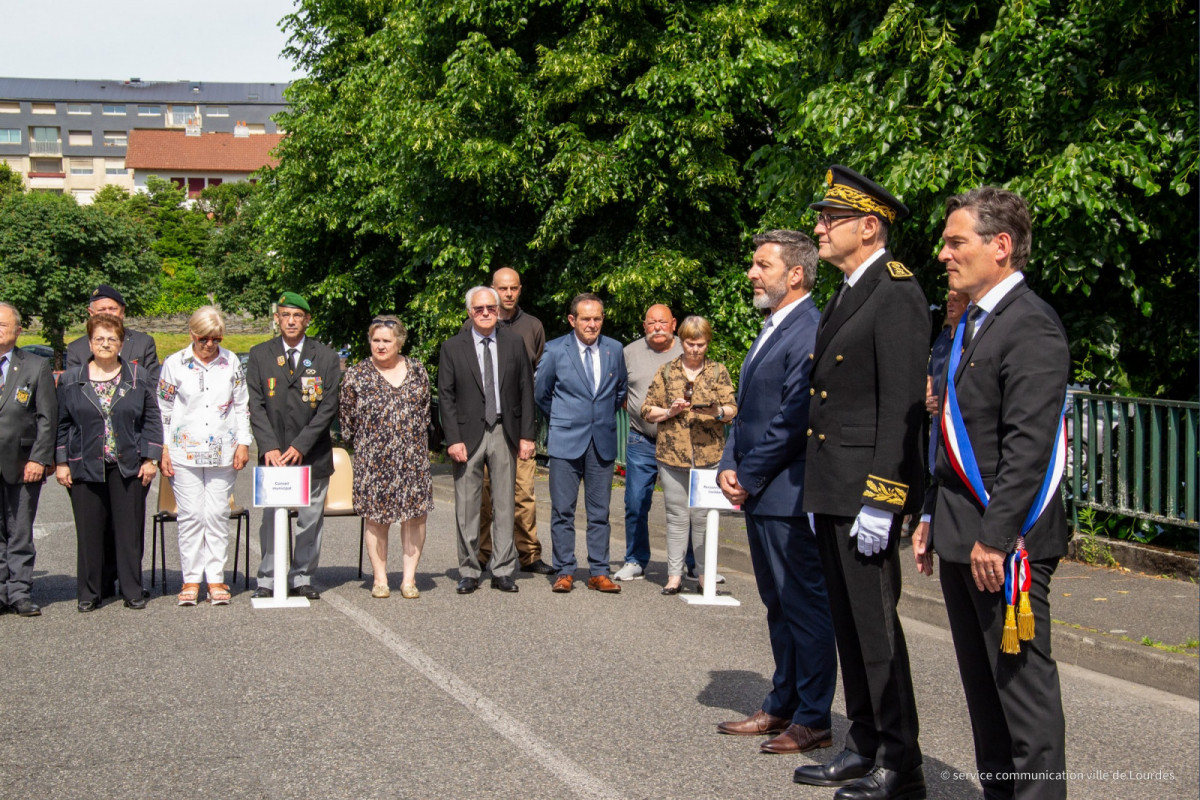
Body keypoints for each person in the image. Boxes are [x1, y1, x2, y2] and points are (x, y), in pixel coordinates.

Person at [913, 187, 1070, 800]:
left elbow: (1027, 448)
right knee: (984, 697)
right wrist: (931, 513)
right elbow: (957, 439)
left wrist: (994, 537)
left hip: (1003, 542)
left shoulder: (1029, 324)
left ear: (1000, 246)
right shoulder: (976, 321)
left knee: (1021, 696)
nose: (944, 254)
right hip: (960, 531)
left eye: (957, 242)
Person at [796, 166, 929, 800]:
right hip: (834, 487)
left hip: (864, 493)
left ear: (869, 226)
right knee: (851, 626)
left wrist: (885, 498)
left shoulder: (896, 292)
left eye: (830, 218)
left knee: (877, 632)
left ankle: (902, 763)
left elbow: (899, 405)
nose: (819, 228)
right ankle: (866, 742)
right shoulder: (851, 290)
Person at [716, 231, 837, 756]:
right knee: (777, 605)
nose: (751, 273)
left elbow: (793, 419)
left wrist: (748, 475)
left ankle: (813, 717)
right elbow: (748, 411)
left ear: (795, 274)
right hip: (765, 492)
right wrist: (727, 462)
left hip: (789, 496)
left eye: (761, 264)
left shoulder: (810, 329)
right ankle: (783, 703)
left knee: (804, 609)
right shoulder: (772, 327)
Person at [56, 313, 162, 611]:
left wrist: (151, 458)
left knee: (129, 531)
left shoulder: (137, 377)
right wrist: (62, 462)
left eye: (112, 339)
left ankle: (132, 589)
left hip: (128, 463)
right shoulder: (70, 380)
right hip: (85, 465)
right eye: (99, 339)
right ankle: (91, 592)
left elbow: (152, 420)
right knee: (90, 532)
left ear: (121, 343)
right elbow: (62, 424)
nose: (105, 344)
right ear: (90, 342)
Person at [440, 287, 536, 594]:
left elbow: (525, 390)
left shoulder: (514, 343)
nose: (485, 312)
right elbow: (446, 396)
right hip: (467, 435)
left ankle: (503, 570)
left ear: (498, 311)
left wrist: (526, 435)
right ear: (469, 312)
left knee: (505, 504)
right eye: (479, 308)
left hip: (504, 430)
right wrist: (452, 439)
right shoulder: (452, 347)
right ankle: (469, 569)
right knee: (468, 505)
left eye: (490, 308)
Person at [246, 292, 341, 600]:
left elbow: (328, 406)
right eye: (285, 315)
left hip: (312, 453)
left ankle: (302, 576)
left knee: (309, 520)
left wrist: (301, 444)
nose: (290, 321)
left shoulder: (325, 356)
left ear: (307, 320)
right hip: (274, 457)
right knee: (272, 520)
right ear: (277, 318)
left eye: (297, 316)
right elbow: (255, 405)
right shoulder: (260, 354)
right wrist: (269, 445)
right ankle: (268, 578)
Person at [158, 307, 252, 606]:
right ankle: (191, 579)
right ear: (192, 335)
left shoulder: (231, 361)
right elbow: (164, 410)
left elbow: (241, 405)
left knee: (216, 514)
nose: (210, 345)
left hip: (223, 451)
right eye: (203, 339)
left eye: (216, 338)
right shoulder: (174, 364)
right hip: (183, 451)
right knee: (191, 516)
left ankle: (216, 578)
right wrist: (163, 449)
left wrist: (243, 443)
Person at [534, 293, 628, 594]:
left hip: (601, 440)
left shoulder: (614, 349)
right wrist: (564, 417)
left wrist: (595, 418)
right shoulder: (554, 350)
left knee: (600, 511)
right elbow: (541, 394)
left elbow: (619, 391)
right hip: (565, 440)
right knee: (563, 510)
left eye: (597, 318)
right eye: (586, 318)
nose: (592, 324)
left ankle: (599, 571)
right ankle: (564, 570)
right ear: (572, 320)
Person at [340, 315, 433, 599]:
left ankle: (408, 580)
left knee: (414, 518)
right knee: (376, 519)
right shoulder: (356, 374)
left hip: (412, 458)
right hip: (373, 461)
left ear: (399, 342)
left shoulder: (418, 370)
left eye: (386, 341)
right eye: (375, 340)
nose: (380, 346)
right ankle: (380, 579)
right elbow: (346, 422)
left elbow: (426, 412)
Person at [641, 315, 735, 594]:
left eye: (701, 344)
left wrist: (715, 411)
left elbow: (732, 409)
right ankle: (674, 576)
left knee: (704, 516)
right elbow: (646, 409)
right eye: (690, 343)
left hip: (709, 456)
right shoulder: (667, 371)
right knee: (676, 515)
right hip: (672, 455)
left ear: (708, 343)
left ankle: (706, 576)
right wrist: (669, 411)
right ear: (681, 342)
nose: (695, 349)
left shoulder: (718, 371)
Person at [472, 267, 553, 575]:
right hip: (482, 427)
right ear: (492, 288)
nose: (507, 294)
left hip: (519, 427)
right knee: (484, 494)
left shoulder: (532, 326)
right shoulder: (476, 322)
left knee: (523, 493)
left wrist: (530, 428)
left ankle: (528, 553)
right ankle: (482, 553)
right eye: (502, 288)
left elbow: (539, 378)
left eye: (513, 288)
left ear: (520, 290)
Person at [613, 304, 683, 582]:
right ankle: (636, 559)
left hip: (680, 441)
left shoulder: (686, 348)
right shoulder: (629, 353)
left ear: (673, 324)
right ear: (644, 326)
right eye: (651, 323)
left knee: (683, 504)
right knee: (636, 501)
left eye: (662, 322)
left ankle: (691, 562)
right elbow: (620, 391)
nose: (657, 327)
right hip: (640, 438)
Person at [0, 303, 56, 617]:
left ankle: (19, 592)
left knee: (20, 530)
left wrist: (39, 458)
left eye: (2, 324)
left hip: (23, 463)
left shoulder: (35, 366)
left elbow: (47, 417)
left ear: (18, 330)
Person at [925, 289, 968, 475]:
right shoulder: (942, 338)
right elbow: (931, 373)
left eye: (956, 300)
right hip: (937, 414)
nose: (950, 304)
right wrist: (928, 398)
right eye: (949, 300)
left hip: (956, 413)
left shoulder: (969, 337)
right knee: (935, 466)